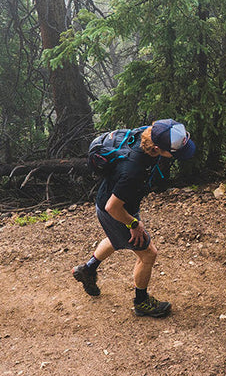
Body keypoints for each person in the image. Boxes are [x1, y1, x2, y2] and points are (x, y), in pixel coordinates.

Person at [71, 119, 196, 317]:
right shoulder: (134, 169)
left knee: (116, 239)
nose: (175, 156)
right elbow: (113, 207)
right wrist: (133, 223)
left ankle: (87, 269)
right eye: (173, 153)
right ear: (156, 148)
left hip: (117, 199)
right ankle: (141, 302)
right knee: (148, 254)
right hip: (114, 208)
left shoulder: (147, 133)